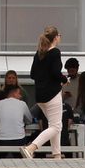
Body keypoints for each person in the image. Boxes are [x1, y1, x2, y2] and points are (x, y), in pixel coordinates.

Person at [23, 26, 67, 160]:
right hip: (52, 94)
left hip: (40, 96)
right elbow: (55, 72)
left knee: (55, 124)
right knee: (56, 126)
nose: (60, 37)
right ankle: (31, 148)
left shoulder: (39, 53)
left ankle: (56, 154)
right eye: (59, 35)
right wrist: (64, 79)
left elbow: (32, 74)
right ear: (55, 38)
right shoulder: (55, 52)